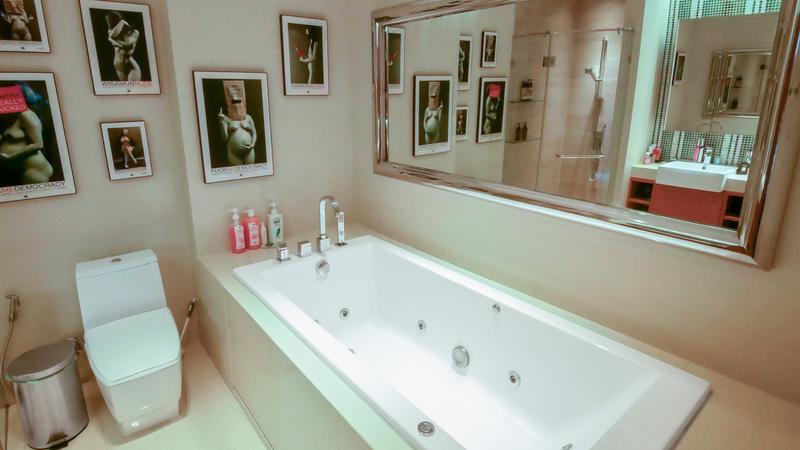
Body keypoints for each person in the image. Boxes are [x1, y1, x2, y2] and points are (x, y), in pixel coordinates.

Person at [0, 83, 53, 185]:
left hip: (35, 170)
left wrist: (9, 157)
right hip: (17, 171)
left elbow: (38, 144)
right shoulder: (12, 115)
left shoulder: (26, 115)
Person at [217, 80, 257, 166]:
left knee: (251, 171)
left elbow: (254, 133)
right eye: (233, 101)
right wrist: (221, 122)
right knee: (236, 172)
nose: (236, 104)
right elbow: (225, 138)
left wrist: (253, 144)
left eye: (238, 101)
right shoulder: (227, 119)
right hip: (233, 152)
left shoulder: (248, 117)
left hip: (249, 150)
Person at [105, 11, 141, 82]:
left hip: (130, 67)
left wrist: (114, 42)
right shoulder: (112, 31)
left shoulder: (134, 32)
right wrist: (121, 23)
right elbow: (111, 36)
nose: (109, 26)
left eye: (110, 23)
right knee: (124, 88)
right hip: (118, 68)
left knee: (132, 88)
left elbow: (126, 45)